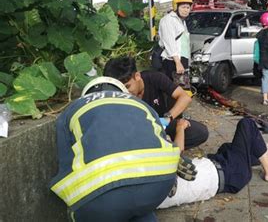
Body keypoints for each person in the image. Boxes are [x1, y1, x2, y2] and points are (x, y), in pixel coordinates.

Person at [50, 77, 182, 222]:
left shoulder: (73, 109)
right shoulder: (141, 104)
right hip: (158, 185)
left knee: (98, 210)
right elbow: (161, 139)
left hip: (102, 199)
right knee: (141, 210)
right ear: (122, 91)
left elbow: (65, 162)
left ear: (86, 94)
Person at [158, 117, 268, 209]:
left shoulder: (147, 199)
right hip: (230, 172)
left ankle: (260, 151)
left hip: (219, 167)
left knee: (226, 147)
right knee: (247, 124)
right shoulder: (159, 183)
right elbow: (177, 152)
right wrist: (180, 128)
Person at [104, 56, 209, 150]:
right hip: (138, 132)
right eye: (120, 89)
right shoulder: (115, 94)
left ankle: (168, 144)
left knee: (200, 132)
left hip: (161, 124)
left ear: (137, 76)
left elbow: (184, 98)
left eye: (127, 86)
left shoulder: (155, 78)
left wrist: (168, 118)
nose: (125, 92)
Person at [158, 0, 193, 80]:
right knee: (176, 89)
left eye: (188, 7)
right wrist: (178, 62)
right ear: (176, 7)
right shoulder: (168, 20)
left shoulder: (181, 21)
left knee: (183, 87)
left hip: (182, 59)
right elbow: (169, 42)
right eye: (183, 7)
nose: (186, 10)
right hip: (172, 61)